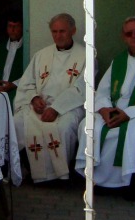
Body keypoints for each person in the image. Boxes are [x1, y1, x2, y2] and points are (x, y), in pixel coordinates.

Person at [75, 17, 135, 198]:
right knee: (88, 126)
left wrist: (128, 114)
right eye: (129, 33)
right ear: (123, 37)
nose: (134, 37)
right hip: (113, 111)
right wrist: (104, 110)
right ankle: (94, 179)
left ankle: (129, 182)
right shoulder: (118, 61)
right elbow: (102, 91)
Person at [14, 13, 85, 183]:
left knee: (65, 127)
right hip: (39, 106)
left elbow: (82, 88)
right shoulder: (41, 55)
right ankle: (24, 170)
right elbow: (27, 83)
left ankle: (60, 175)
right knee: (16, 123)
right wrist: (33, 98)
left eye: (62, 31)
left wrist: (56, 108)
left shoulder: (86, 56)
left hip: (67, 108)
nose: (58, 36)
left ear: (73, 31)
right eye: (54, 32)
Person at [0, 12, 24, 101]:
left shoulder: (27, 48)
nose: (12, 29)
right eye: (10, 26)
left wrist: (14, 84)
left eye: (16, 26)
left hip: (16, 90)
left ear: (22, 27)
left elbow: (30, 74)